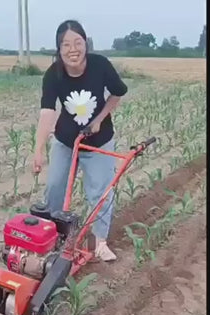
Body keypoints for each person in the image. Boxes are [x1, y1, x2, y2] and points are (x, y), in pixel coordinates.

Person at [33, 20, 128, 262]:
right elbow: (47, 111)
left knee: (100, 192)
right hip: (66, 140)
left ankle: (100, 242)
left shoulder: (100, 65)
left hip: (99, 141)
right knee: (54, 188)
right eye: (66, 44)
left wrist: (99, 118)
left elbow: (118, 92)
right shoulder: (53, 74)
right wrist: (38, 150)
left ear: (85, 43)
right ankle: (51, 238)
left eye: (78, 42)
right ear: (59, 48)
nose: (72, 49)